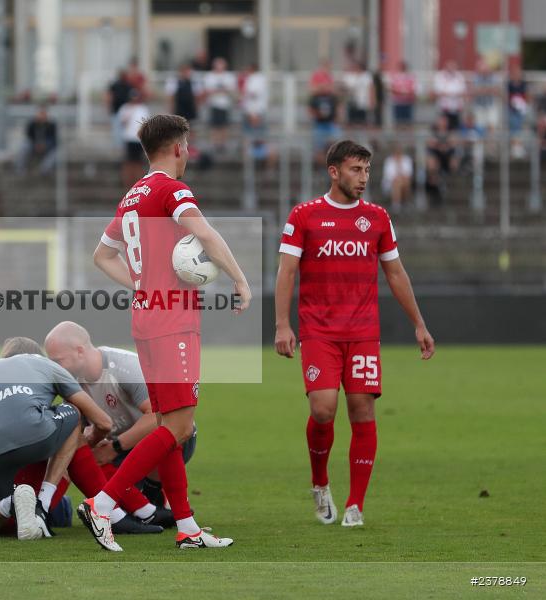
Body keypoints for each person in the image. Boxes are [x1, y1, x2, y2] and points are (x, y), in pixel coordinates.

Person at [79, 114, 251, 552]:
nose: (188, 153)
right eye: (187, 146)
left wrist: (141, 284)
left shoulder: (132, 196)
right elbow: (205, 234)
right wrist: (240, 279)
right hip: (173, 320)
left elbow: (102, 255)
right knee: (179, 425)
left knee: (171, 424)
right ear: (178, 148)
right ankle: (102, 504)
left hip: (146, 317)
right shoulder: (171, 190)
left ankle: (188, 527)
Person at [274, 140, 435, 529]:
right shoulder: (305, 215)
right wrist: (282, 324)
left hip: (362, 331)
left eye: (366, 170)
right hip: (319, 331)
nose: (363, 178)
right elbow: (287, 271)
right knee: (323, 409)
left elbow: (395, 273)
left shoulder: (377, 218)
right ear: (334, 171)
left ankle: (355, 504)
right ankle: (320, 483)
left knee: (362, 410)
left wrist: (419, 322)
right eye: (355, 170)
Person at [44, 321, 195, 517]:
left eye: (58, 360)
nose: (54, 368)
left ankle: (157, 493)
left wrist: (114, 448)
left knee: (158, 439)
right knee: (77, 453)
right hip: (121, 449)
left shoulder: (125, 367)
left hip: (174, 438)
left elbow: (158, 417)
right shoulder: (71, 381)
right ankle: (45, 511)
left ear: (80, 351)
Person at [0, 337, 113, 539]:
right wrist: (85, 443)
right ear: (36, 354)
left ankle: (10, 503)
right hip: (35, 439)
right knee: (72, 411)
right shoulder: (46, 365)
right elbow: (104, 422)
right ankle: (42, 505)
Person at [201, 57, 237, 153]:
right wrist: (220, 90)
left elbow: (231, 90)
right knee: (215, 126)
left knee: (224, 126)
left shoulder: (229, 76)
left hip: (225, 105)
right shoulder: (210, 76)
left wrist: (219, 91)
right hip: (214, 104)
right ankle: (215, 144)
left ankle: (223, 144)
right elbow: (207, 91)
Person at [117, 90, 150, 188]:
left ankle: (137, 183)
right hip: (128, 138)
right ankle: (127, 183)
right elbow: (122, 122)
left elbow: (146, 124)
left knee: (138, 162)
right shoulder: (125, 108)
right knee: (129, 162)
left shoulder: (143, 108)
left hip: (139, 140)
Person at [15, 104, 58, 175]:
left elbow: (54, 140)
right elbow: (29, 137)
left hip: (47, 147)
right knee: (24, 146)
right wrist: (36, 144)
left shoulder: (52, 126)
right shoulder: (32, 125)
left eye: (43, 113)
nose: (42, 115)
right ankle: (20, 169)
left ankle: (45, 169)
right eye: (40, 113)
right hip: (33, 146)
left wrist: (45, 145)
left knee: (57, 152)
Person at [309, 82, 341, 164]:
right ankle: (324, 167)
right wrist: (318, 115)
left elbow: (339, 110)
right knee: (318, 149)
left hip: (331, 124)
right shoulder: (314, 98)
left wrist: (336, 120)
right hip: (320, 125)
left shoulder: (333, 97)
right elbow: (311, 112)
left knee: (337, 145)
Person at [433, 60, 466, 130]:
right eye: (449, 67)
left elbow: (462, 91)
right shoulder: (440, 76)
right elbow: (438, 91)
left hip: (456, 108)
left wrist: (450, 93)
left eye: (453, 67)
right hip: (444, 108)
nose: (451, 69)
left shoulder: (459, 76)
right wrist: (453, 93)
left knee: (455, 128)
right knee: (443, 127)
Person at [471, 59, 500, 137]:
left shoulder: (494, 77)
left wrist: (483, 89)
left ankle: (491, 147)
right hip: (479, 105)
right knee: (479, 128)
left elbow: (496, 90)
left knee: (492, 127)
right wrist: (488, 89)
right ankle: (479, 148)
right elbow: (475, 91)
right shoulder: (476, 77)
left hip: (490, 105)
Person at [106, 68, 133, 148]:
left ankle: (123, 146)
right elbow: (109, 96)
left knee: (124, 129)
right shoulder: (115, 85)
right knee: (117, 129)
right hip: (116, 110)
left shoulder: (128, 85)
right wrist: (108, 107)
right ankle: (118, 146)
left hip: (126, 111)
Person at [342, 61, 374, 127]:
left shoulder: (366, 76)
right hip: (351, 101)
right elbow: (344, 87)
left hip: (363, 101)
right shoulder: (349, 76)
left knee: (362, 120)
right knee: (352, 120)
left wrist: (372, 100)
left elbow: (371, 88)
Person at [381, 146, 412, 212]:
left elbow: (408, 174)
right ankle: (396, 204)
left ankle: (404, 202)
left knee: (406, 182)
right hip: (390, 183)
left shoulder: (407, 160)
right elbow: (388, 176)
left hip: (403, 182)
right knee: (397, 183)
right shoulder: (389, 161)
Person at [388, 61, 416, 128]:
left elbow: (413, 89)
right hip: (398, 102)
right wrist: (401, 92)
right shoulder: (395, 77)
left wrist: (405, 93)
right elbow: (392, 89)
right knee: (398, 122)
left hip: (408, 102)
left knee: (408, 122)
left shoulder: (410, 77)